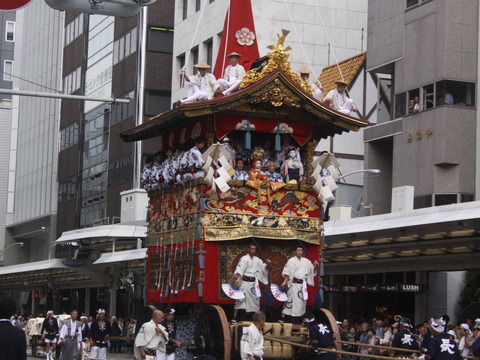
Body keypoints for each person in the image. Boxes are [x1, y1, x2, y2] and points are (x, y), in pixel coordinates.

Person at [231, 243, 271, 325]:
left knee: (255, 301)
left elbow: (263, 269)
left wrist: (268, 264)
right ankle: (234, 317)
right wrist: (238, 279)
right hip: (244, 282)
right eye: (251, 249)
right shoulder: (244, 259)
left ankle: (255, 319)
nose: (253, 250)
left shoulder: (258, 260)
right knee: (240, 299)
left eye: (254, 249)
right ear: (248, 249)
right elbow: (240, 269)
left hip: (253, 283)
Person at [280, 245, 318, 323]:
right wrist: (284, 282)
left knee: (301, 304)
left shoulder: (306, 261)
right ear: (295, 252)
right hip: (293, 285)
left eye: (301, 250)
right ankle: (290, 320)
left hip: (302, 286)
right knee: (291, 303)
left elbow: (312, 271)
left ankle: (299, 320)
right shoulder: (291, 261)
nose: (300, 252)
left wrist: (316, 266)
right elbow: (288, 273)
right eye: (298, 250)